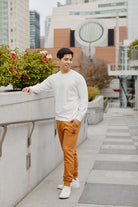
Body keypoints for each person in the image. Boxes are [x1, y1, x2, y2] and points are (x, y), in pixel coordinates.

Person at [22, 48, 88, 199]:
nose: (68, 62)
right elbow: (41, 87)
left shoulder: (78, 78)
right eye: (65, 59)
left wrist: (78, 119)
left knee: (68, 153)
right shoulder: (54, 78)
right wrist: (30, 89)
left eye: (70, 59)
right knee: (70, 152)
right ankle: (75, 179)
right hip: (59, 119)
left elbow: (84, 100)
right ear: (58, 61)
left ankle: (66, 184)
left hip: (72, 121)